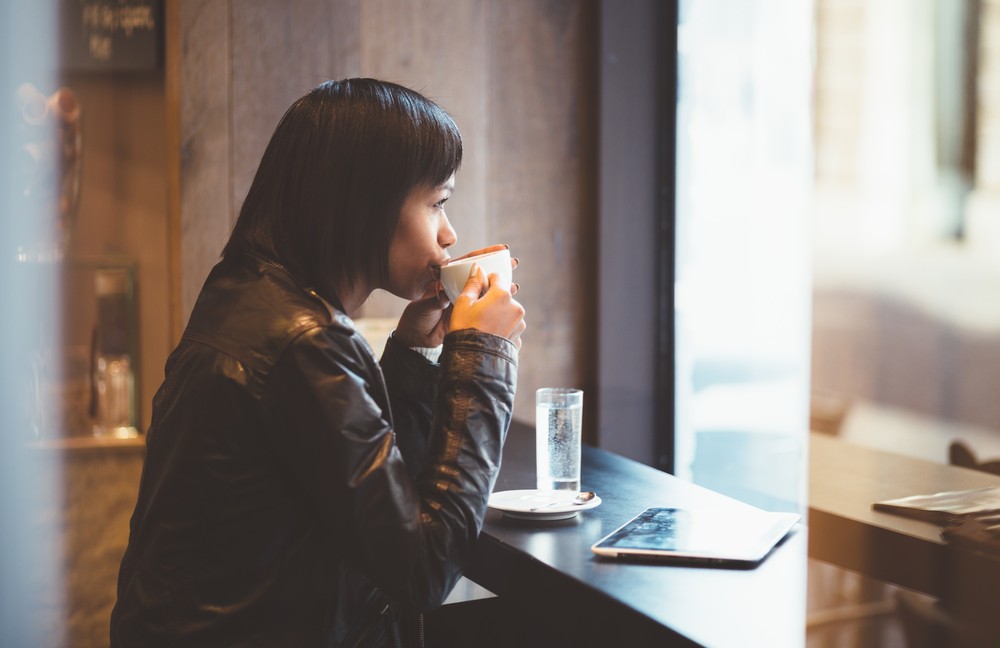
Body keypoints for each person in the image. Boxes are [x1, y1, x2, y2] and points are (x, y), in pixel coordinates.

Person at [110, 78, 525, 647]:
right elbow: (421, 569)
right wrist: (483, 358)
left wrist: (410, 356)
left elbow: (366, 497)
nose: (449, 234)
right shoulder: (302, 343)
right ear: (367, 201)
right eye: (437, 203)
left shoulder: (248, 294)